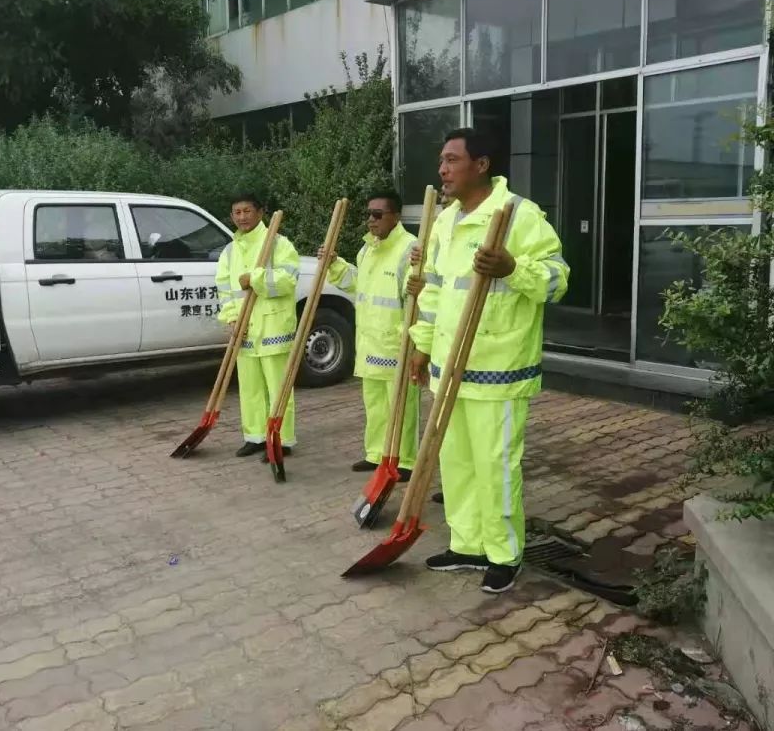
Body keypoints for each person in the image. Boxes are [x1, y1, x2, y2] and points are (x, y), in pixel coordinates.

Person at [408, 128, 570, 594]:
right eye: (441, 160)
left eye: (452, 160)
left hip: (498, 367)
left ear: (481, 165)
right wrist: (422, 346)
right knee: (456, 463)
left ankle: (504, 553)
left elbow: (558, 280)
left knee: (496, 466)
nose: (442, 169)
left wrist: (513, 269)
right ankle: (467, 545)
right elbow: (435, 292)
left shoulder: (519, 215)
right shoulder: (446, 223)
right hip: (448, 366)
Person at [320, 191, 419, 481]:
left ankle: (404, 460)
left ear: (396, 216)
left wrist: (409, 342)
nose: (371, 220)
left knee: (401, 406)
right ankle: (377, 454)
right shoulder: (368, 250)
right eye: (369, 214)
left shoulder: (409, 250)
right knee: (375, 405)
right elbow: (357, 284)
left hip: (396, 345)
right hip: (370, 343)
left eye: (378, 215)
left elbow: (417, 303)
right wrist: (335, 265)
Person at [215, 193, 300, 458]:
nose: (242, 217)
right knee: (250, 388)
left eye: (247, 211)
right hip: (245, 329)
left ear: (260, 212)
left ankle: (282, 440)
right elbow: (225, 288)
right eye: (236, 212)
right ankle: (255, 436)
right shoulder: (230, 251)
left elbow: (289, 279)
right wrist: (231, 318)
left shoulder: (277, 243)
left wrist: (255, 278)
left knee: (278, 388)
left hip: (274, 328)